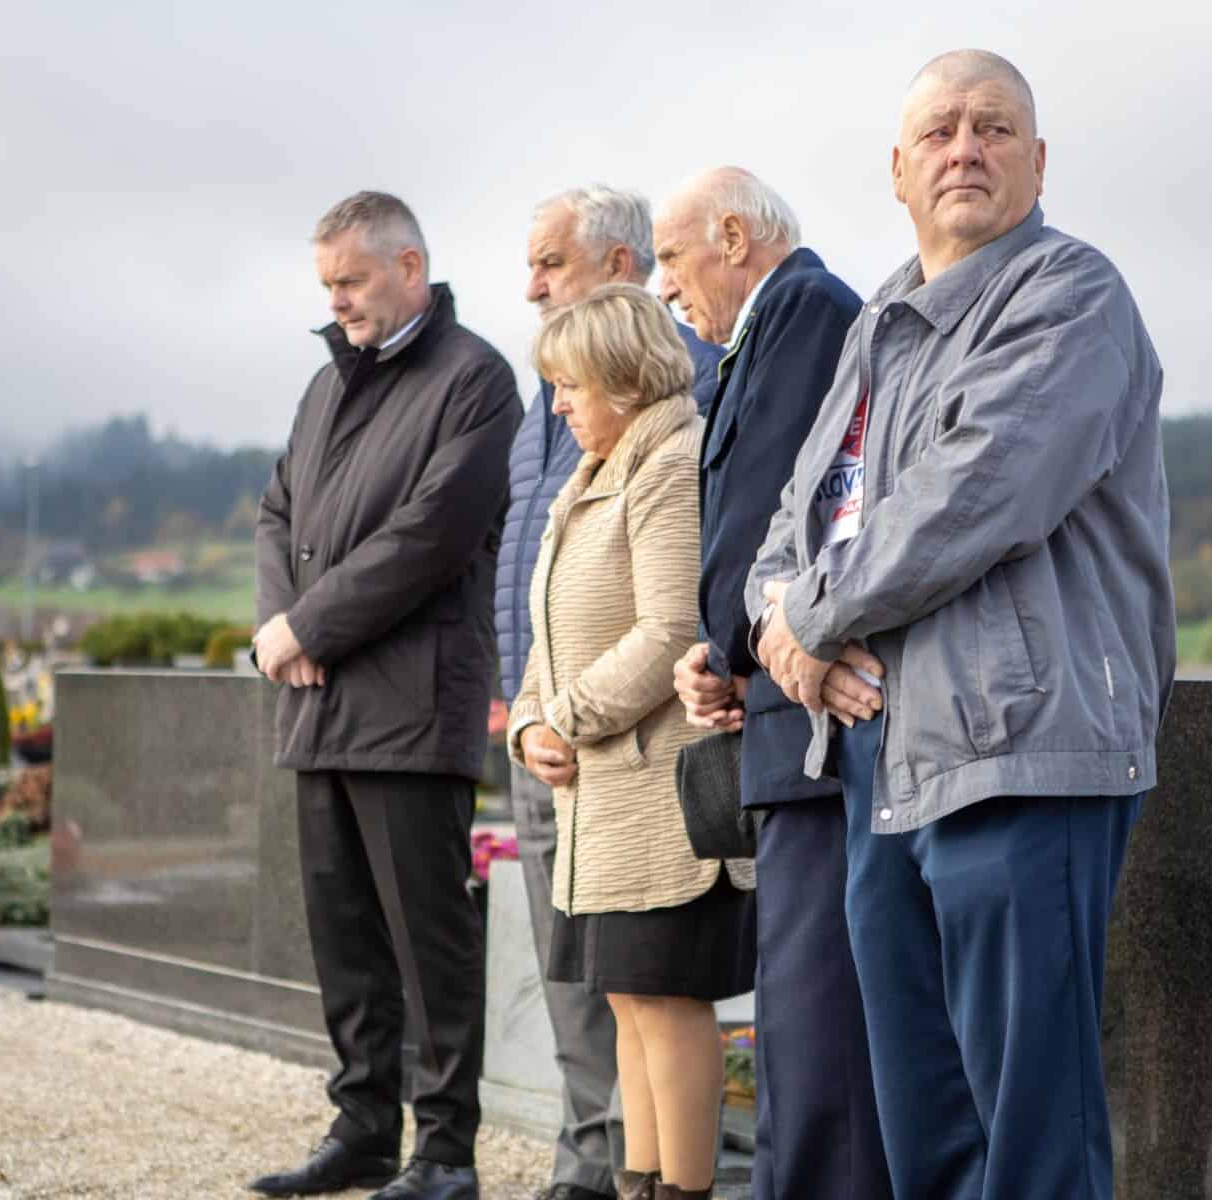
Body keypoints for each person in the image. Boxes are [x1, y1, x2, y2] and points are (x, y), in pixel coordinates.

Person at [747, 50, 1174, 1199]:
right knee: (925, 1136)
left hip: (1020, 753)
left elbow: (974, 494)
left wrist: (803, 619)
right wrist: (780, 631)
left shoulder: (1070, 295)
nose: (964, 149)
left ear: (1036, 160)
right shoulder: (877, 322)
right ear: (897, 169)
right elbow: (794, 520)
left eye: (992, 128)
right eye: (938, 131)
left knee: (1032, 1139)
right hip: (881, 763)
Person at [250, 191, 520, 1200]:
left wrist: (309, 628)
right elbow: (277, 511)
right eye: (326, 283)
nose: (336, 300)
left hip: (411, 705)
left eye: (351, 280)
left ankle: (445, 1153)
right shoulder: (326, 385)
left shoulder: (476, 380)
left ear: (410, 267)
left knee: (427, 942)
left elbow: (432, 534)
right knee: (345, 937)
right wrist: (282, 631)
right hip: (318, 701)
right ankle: (362, 1129)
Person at [658, 168, 889, 1200]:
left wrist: (728, 646)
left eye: (671, 257)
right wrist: (721, 653)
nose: (666, 286)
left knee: (815, 1021)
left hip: (812, 732)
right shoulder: (767, 324)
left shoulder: (802, 306)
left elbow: (774, 513)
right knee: (798, 1022)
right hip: (781, 706)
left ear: (733, 236)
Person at [507, 284, 755, 1200]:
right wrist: (528, 725)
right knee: (628, 1002)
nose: (559, 406)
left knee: (667, 1001)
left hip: (661, 801)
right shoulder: (591, 474)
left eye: (569, 385)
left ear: (620, 377)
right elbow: (546, 639)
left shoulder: (669, 464)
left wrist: (564, 718)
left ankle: (681, 1193)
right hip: (602, 801)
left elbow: (668, 630)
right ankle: (637, 1187)